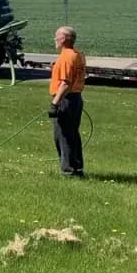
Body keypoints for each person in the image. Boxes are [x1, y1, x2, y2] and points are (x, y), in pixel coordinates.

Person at [48, 25, 87, 178]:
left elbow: (65, 83)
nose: (55, 40)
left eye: (56, 37)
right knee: (72, 134)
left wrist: (55, 104)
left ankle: (68, 171)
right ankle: (77, 168)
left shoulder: (66, 57)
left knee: (62, 136)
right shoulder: (78, 54)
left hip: (66, 99)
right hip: (76, 98)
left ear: (63, 39)